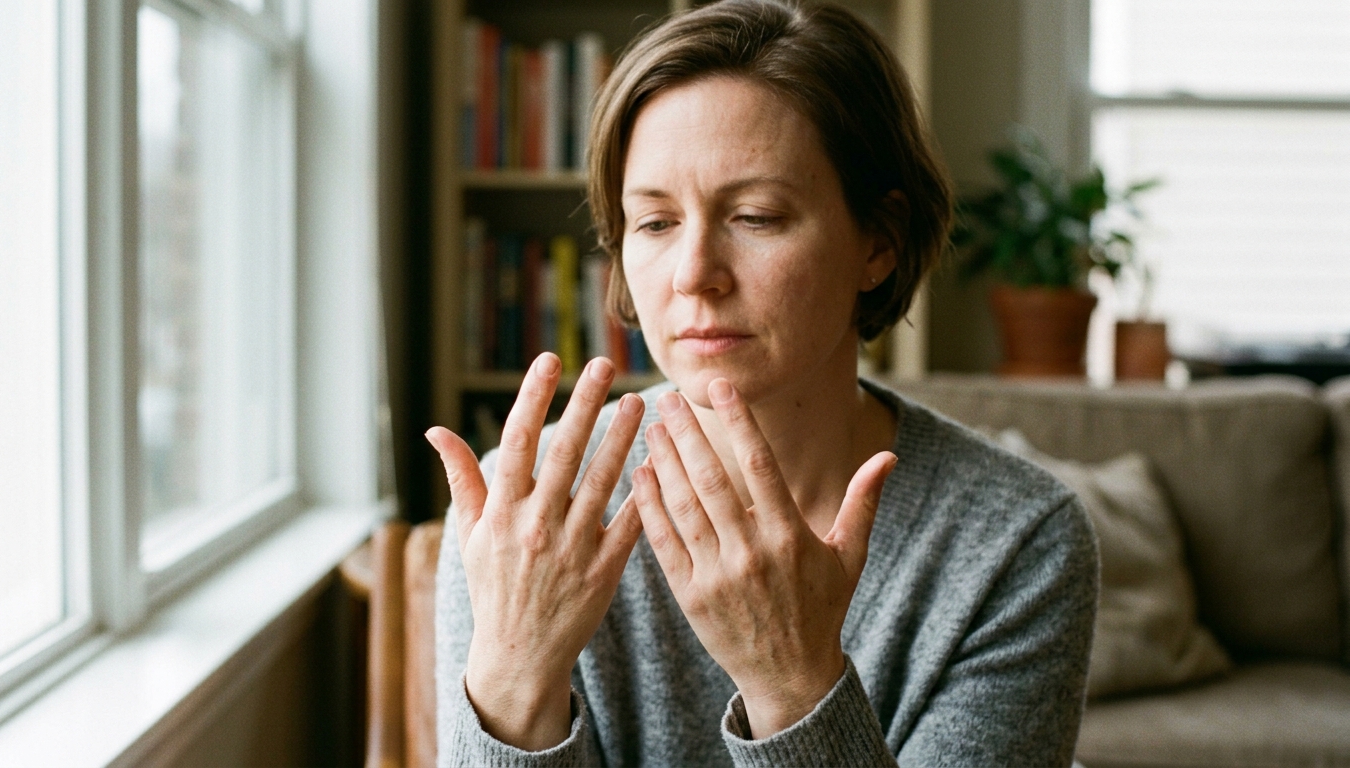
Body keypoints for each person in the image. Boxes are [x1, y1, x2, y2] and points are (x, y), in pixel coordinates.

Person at [426, 1, 1099, 765]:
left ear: (878, 242)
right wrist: (512, 677)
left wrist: (793, 683)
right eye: (654, 223)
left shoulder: (1017, 544)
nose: (693, 275)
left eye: (755, 216)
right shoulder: (523, 519)